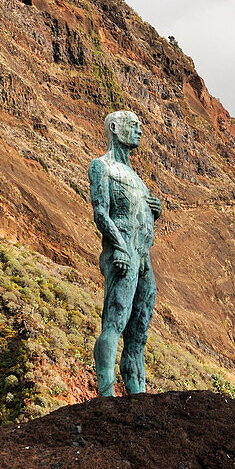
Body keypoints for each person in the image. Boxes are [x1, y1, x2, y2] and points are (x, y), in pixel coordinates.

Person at [89, 110, 163, 396]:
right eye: (134, 126)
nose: (139, 131)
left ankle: (137, 394)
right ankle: (106, 394)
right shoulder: (101, 167)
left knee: (139, 332)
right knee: (115, 321)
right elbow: (100, 212)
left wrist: (153, 211)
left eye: (140, 126)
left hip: (143, 257)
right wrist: (118, 246)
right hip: (123, 254)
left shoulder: (137, 178)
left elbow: (137, 215)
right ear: (115, 128)